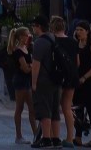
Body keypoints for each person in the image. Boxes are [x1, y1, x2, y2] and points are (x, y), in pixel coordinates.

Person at [32, 17, 69, 149]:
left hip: (44, 80)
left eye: (34, 26)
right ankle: (56, 139)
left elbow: (36, 65)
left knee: (44, 110)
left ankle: (46, 139)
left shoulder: (39, 42)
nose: (33, 29)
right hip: (57, 80)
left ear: (38, 26)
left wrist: (34, 83)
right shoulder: (54, 39)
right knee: (55, 111)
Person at [10, 27, 36, 145]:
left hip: (26, 81)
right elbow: (25, 69)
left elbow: (27, 66)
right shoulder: (18, 51)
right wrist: (32, 66)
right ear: (21, 37)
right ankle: (18, 136)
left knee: (32, 108)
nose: (28, 37)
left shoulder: (27, 48)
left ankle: (36, 133)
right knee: (19, 108)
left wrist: (30, 66)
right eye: (26, 35)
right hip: (20, 81)